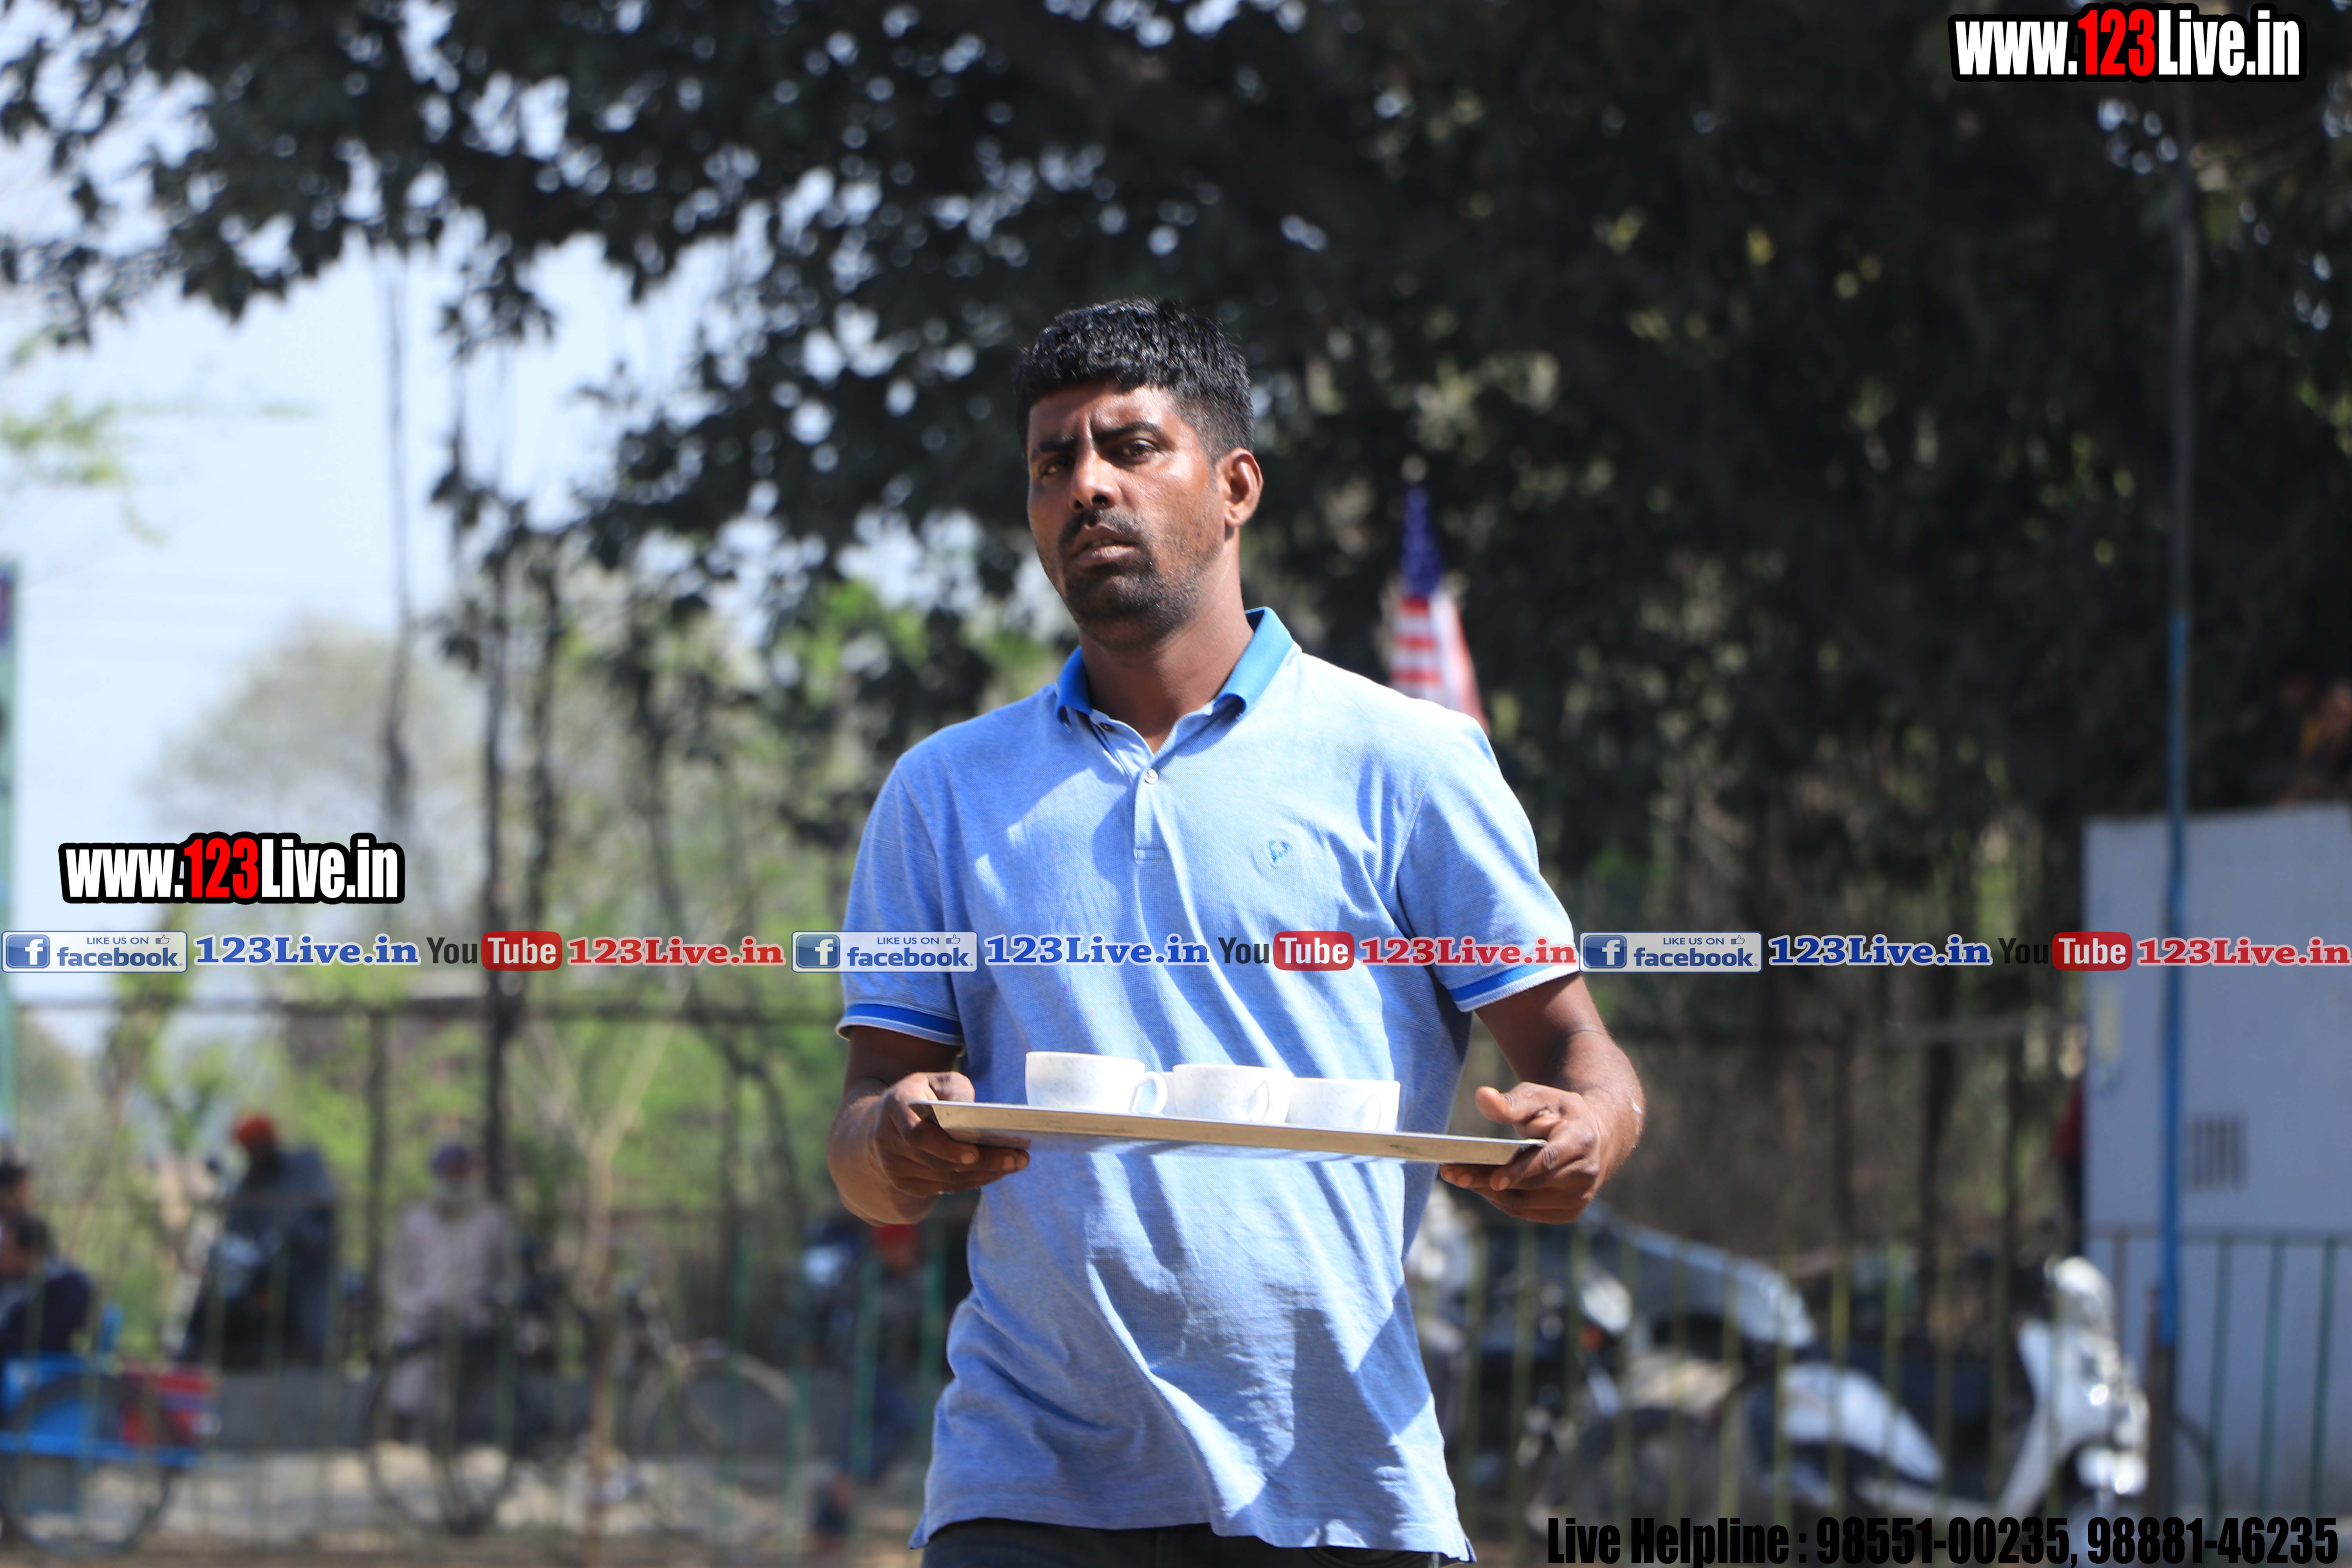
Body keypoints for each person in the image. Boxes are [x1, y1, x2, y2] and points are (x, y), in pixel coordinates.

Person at [826, 299, 1647, 1566]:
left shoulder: (1411, 764)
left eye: (1130, 448)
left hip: (1342, 1494)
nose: (1087, 486)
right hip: (1029, 1493)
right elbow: (861, 1141)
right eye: (1052, 464)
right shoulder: (942, 792)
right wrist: (897, 1140)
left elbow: (1583, 1059)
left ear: (1236, 487)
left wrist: (1586, 1131)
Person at [185, 1112, 338, 1366]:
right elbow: (235, 1229)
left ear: (271, 1140)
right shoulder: (250, 1184)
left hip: (308, 1264)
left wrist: (299, 1235)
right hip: (262, 1269)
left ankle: (308, 1357)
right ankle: (199, 1347)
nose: (256, 1151)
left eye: (260, 1143)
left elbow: (325, 1209)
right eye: (250, 1147)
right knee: (225, 1291)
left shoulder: (306, 1165)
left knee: (311, 1316)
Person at [384, 1142, 512, 1423]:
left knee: (461, 1398)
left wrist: (493, 1311)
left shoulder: (493, 1220)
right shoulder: (414, 1221)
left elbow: (509, 1276)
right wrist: (416, 1307)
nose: (454, 1180)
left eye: (460, 1173)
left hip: (474, 1325)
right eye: (448, 1173)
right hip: (420, 1323)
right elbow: (394, 1280)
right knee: (408, 1387)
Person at [0, 1216, 94, 1359]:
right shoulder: (14, 1277)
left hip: (36, 1365)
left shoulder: (68, 1290)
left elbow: (39, 1341)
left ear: (29, 1254)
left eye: (5, 1249)